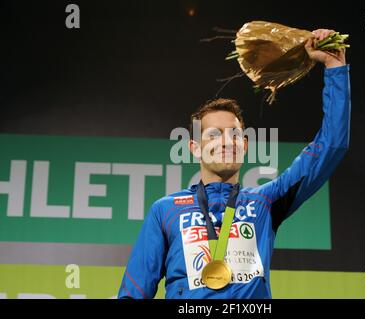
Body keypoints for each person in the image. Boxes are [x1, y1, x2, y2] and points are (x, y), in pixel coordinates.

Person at [118, 28, 351, 299]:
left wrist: (335, 67)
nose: (227, 141)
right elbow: (134, 293)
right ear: (194, 148)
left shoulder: (265, 201)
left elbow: (332, 145)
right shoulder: (166, 211)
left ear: (245, 145)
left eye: (235, 134)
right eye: (213, 135)